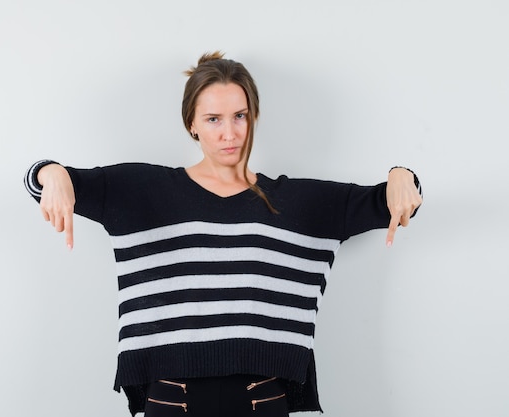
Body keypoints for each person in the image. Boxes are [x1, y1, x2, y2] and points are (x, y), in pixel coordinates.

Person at [23, 51, 423, 417]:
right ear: (192, 124)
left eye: (240, 116)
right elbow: (43, 180)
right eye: (213, 119)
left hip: (262, 397)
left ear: (253, 117)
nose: (229, 133)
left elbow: (391, 200)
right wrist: (53, 172)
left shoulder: (298, 202)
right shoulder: (141, 190)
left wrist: (402, 175)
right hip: (170, 399)